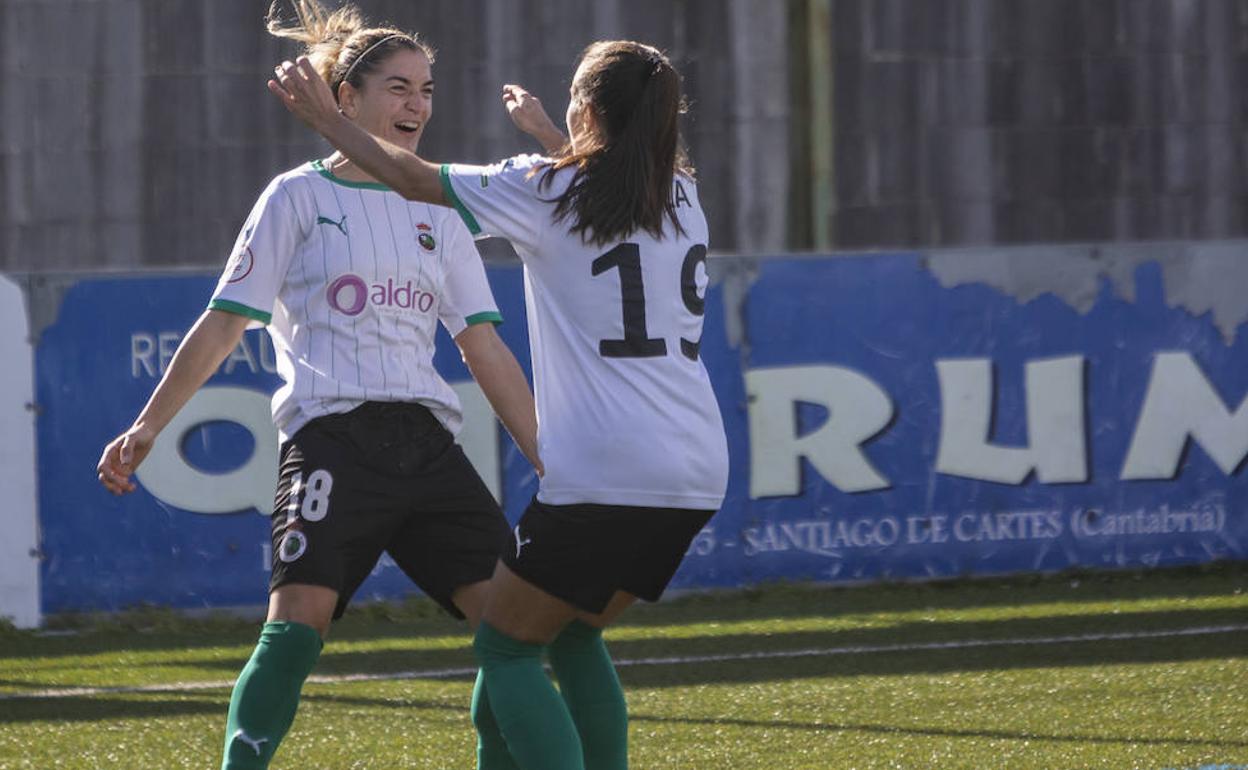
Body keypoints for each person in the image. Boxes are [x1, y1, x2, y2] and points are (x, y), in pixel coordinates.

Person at [97, 3, 542, 768]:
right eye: (398, 88)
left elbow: (485, 348)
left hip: (429, 447)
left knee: (511, 629)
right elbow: (224, 322)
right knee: (298, 623)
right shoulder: (295, 197)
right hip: (333, 440)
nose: (417, 106)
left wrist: (549, 456)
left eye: (427, 90)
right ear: (346, 100)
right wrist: (146, 428)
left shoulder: (442, 207)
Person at [270, 36, 730, 770]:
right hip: (696, 472)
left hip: (603, 470)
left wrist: (329, 120)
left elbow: (412, 178)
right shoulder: (679, 195)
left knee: (506, 651)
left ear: (587, 107)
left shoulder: (542, 192)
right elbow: (607, 173)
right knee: (571, 633)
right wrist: (556, 135)